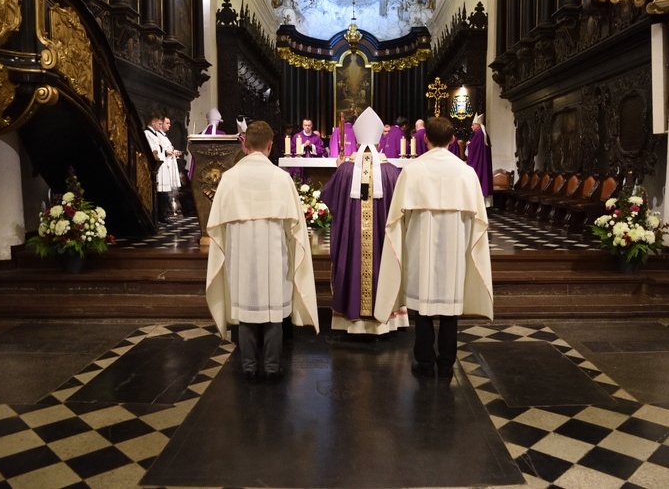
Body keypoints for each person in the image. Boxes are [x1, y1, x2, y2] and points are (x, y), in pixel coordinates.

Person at [375, 116, 493, 378]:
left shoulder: (413, 171)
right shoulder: (466, 172)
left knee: (423, 307)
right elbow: (479, 218)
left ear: (425, 138)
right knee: (450, 308)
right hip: (454, 247)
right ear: (453, 140)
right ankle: (447, 362)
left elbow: (396, 217)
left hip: (420, 245)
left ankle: (425, 361)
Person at [206, 120, 319, 381]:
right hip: (273, 255)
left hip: (241, 254)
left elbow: (215, 226)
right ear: (270, 146)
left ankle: (247, 367)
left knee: (245, 311)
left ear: (245, 144)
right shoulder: (282, 179)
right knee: (273, 313)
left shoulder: (229, 178)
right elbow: (296, 229)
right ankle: (271, 368)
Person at [320, 108, 409, 335]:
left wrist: (339, 171)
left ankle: (351, 318)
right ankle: (383, 320)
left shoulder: (345, 171)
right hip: (381, 240)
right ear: (379, 140)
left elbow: (328, 197)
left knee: (353, 257)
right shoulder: (392, 172)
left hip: (353, 240)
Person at [144, 112, 172, 224]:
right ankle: (160, 215)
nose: (161, 127)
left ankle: (163, 214)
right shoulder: (147, 133)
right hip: (157, 166)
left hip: (161, 165)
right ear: (153, 122)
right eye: (159, 124)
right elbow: (152, 150)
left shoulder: (155, 134)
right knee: (159, 191)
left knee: (163, 192)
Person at [466, 113, 493, 206]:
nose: (471, 126)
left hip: (479, 162)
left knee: (479, 178)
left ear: (477, 125)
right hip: (483, 162)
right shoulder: (482, 133)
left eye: (473, 125)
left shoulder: (479, 134)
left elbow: (474, 148)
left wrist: (469, 144)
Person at [161, 116, 183, 199]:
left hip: (170, 164)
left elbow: (169, 149)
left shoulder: (164, 136)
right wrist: (168, 152)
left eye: (169, 123)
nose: (169, 125)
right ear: (161, 124)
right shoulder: (159, 136)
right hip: (165, 167)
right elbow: (162, 151)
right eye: (167, 123)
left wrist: (175, 152)